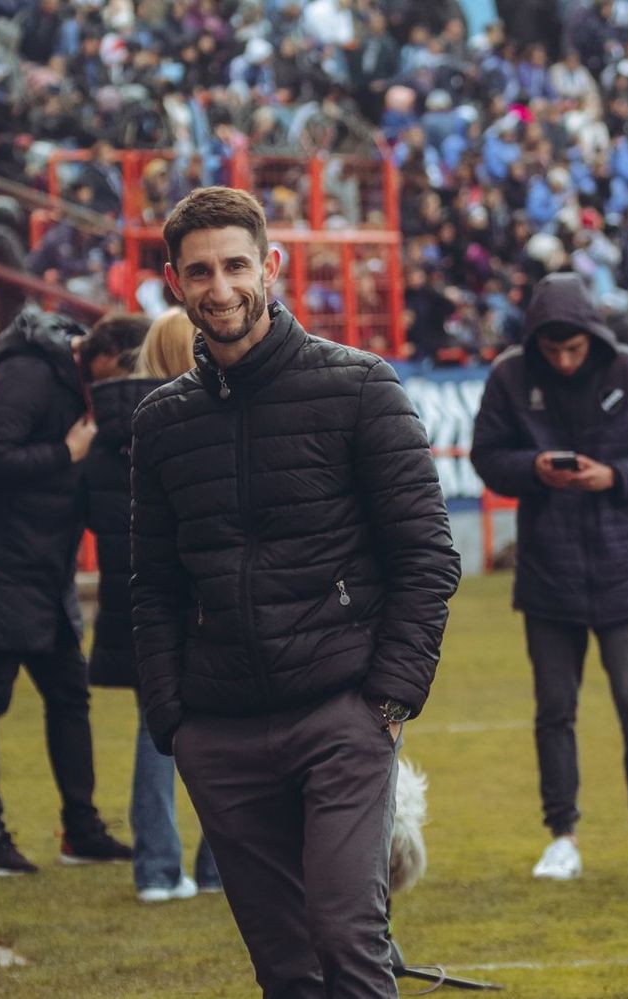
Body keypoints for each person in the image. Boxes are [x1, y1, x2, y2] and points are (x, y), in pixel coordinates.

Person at [130, 187, 462, 996]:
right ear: (175, 281)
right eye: (200, 270)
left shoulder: (358, 386)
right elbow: (152, 585)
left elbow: (428, 555)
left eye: (236, 265)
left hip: (342, 713)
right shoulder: (161, 420)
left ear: (270, 267)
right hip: (220, 731)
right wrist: (176, 720)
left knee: (346, 938)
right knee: (284, 966)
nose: (221, 287)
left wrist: (386, 699)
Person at [470, 272, 628, 883]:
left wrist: (615, 478)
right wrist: (533, 468)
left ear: (593, 336)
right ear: (537, 342)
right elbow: (486, 457)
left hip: (625, 570)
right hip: (547, 573)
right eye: (552, 351)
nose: (564, 361)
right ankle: (562, 836)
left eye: (573, 350)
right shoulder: (510, 378)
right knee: (554, 710)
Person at [0, 309, 143, 875]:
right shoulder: (30, 374)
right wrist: (66, 453)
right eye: (121, 373)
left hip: (46, 568)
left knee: (69, 697)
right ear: (104, 357)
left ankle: (80, 829)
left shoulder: (75, 383)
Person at [84, 307, 220, 903]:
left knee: (154, 732)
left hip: (133, 604)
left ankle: (158, 870)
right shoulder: (197, 421)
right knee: (225, 734)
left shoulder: (109, 430)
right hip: (200, 602)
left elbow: (99, 519)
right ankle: (216, 867)